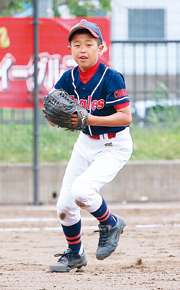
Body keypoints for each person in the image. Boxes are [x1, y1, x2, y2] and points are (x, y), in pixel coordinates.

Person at [47, 19, 133, 272]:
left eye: (89, 44)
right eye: (76, 44)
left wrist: (89, 117)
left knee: (82, 191)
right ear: (70, 50)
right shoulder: (68, 78)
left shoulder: (111, 77)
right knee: (64, 206)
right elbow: (52, 106)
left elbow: (126, 117)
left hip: (114, 144)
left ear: (101, 48)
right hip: (85, 143)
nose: (82, 49)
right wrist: (55, 116)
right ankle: (76, 254)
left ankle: (111, 223)